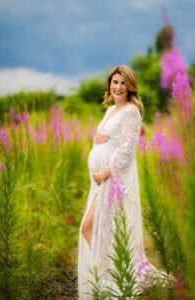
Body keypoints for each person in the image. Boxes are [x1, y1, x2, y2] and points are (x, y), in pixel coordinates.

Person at [78, 65, 166, 299]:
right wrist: (96, 139)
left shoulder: (131, 112)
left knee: (91, 228)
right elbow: (109, 139)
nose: (117, 87)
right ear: (109, 85)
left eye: (122, 83)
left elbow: (126, 150)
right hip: (101, 182)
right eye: (114, 82)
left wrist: (104, 174)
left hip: (113, 181)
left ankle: (107, 282)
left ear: (130, 86)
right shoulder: (110, 111)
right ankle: (107, 277)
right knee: (100, 230)